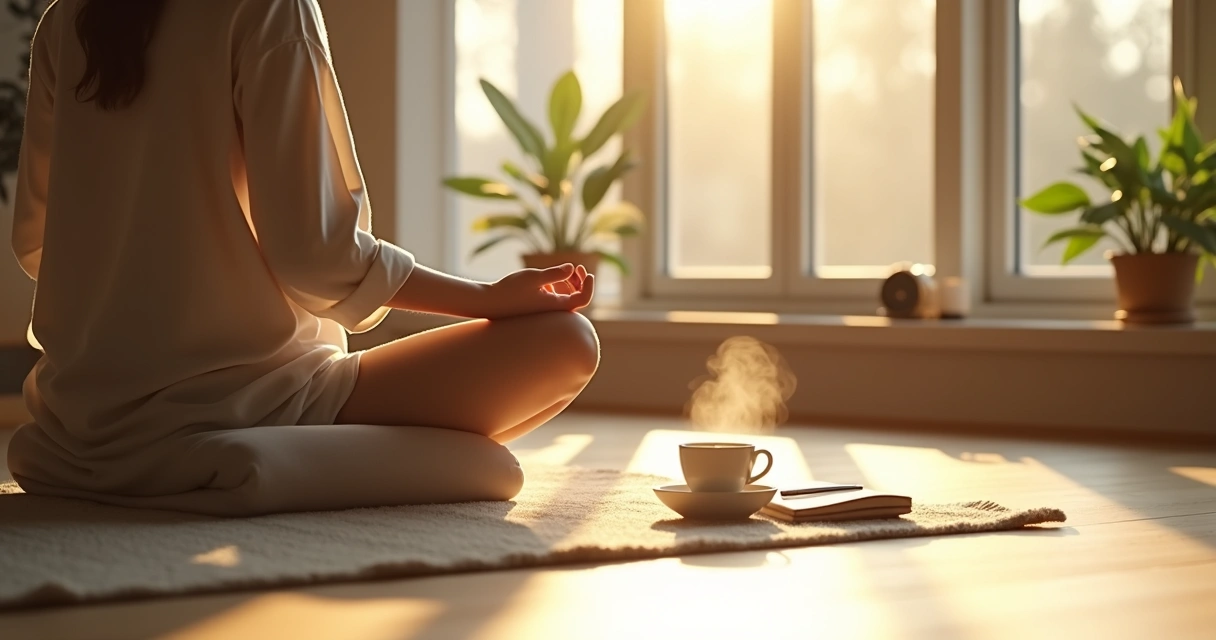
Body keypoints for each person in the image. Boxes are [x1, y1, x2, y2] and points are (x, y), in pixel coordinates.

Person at [6, 0, 600, 516]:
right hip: (251, 407)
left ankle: (196, 466)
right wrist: (485, 297)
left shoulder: (67, 21)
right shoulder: (267, 8)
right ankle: (237, 461)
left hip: (76, 429)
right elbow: (314, 257)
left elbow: (37, 245)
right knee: (567, 343)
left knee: (495, 433)